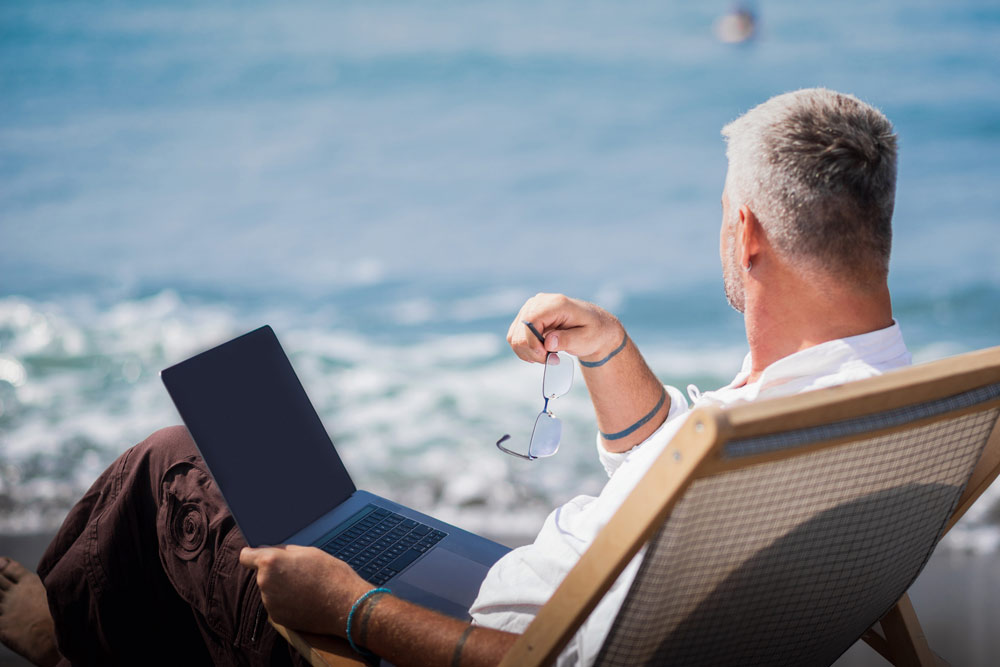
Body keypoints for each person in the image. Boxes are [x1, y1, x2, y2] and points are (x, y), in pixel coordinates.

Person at [0, 87, 907, 667]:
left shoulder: (753, 449)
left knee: (177, 466)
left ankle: (60, 636)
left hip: (444, 641)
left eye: (720, 217)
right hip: (507, 590)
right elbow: (672, 464)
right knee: (273, 492)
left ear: (747, 234)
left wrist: (352, 609)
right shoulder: (873, 404)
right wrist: (607, 349)